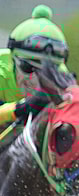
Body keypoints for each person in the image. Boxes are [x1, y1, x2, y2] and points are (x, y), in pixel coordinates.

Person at [0, 4, 70, 138]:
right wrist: (19, 109)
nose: (35, 80)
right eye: (28, 67)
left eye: (46, 74)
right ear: (12, 60)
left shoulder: (64, 80)